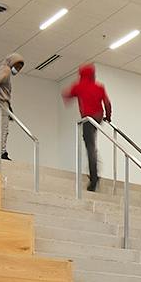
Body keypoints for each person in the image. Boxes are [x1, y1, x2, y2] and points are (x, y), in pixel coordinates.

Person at [62, 64, 112, 193]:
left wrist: (69, 98)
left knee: (90, 147)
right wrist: (108, 117)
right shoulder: (99, 87)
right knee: (92, 146)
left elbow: (66, 95)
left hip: (88, 119)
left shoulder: (79, 86)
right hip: (98, 117)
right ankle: (94, 171)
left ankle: (94, 178)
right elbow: (107, 103)